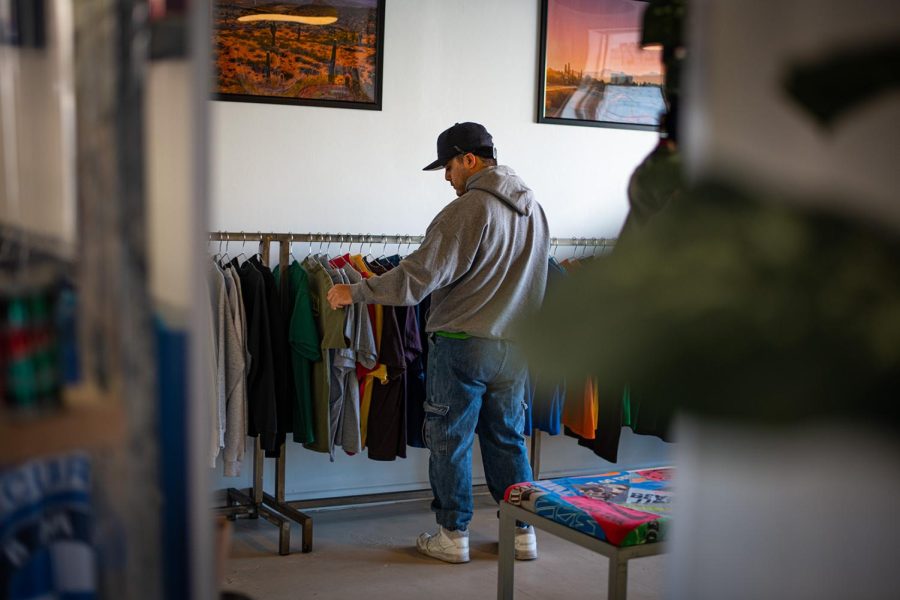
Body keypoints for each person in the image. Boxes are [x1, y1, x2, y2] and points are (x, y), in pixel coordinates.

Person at [326, 122, 549, 564]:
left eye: (448, 166)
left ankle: (452, 534)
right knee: (507, 438)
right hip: (515, 344)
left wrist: (355, 291)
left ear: (469, 159)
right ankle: (522, 533)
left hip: (463, 340)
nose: (447, 177)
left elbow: (419, 276)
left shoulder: (469, 210)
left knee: (450, 438)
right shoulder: (533, 209)